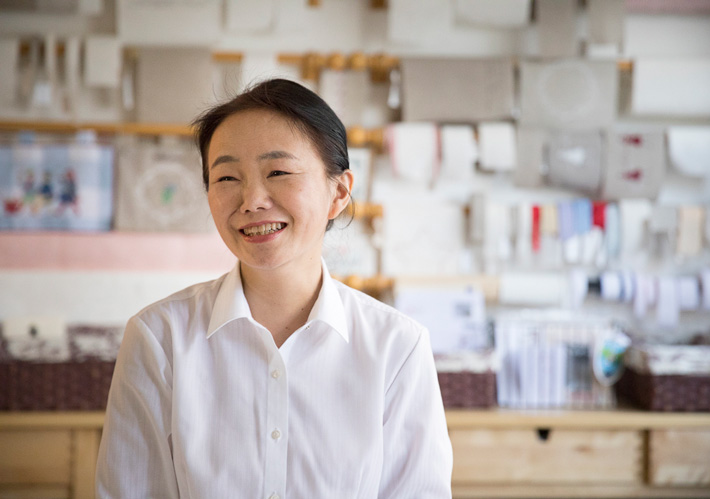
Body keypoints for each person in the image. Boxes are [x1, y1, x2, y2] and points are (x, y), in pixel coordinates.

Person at [95, 78, 453, 498]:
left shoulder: (397, 347)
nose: (251, 200)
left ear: (338, 192)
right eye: (226, 177)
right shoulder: (160, 338)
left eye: (278, 172)